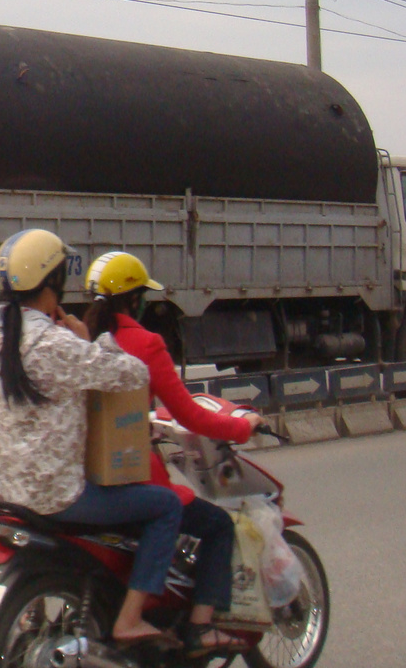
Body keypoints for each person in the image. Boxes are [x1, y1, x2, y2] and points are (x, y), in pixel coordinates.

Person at [0, 229, 183, 650]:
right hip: (55, 497)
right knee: (166, 506)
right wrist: (90, 340)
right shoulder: (55, 343)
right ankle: (129, 619)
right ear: (54, 282)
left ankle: (35, 611)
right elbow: (132, 375)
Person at [85, 252, 263, 657]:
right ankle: (202, 627)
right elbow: (188, 413)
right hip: (133, 475)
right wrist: (242, 427)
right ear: (133, 300)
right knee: (218, 526)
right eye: (142, 297)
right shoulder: (147, 344)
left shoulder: (83, 340)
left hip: (89, 472)